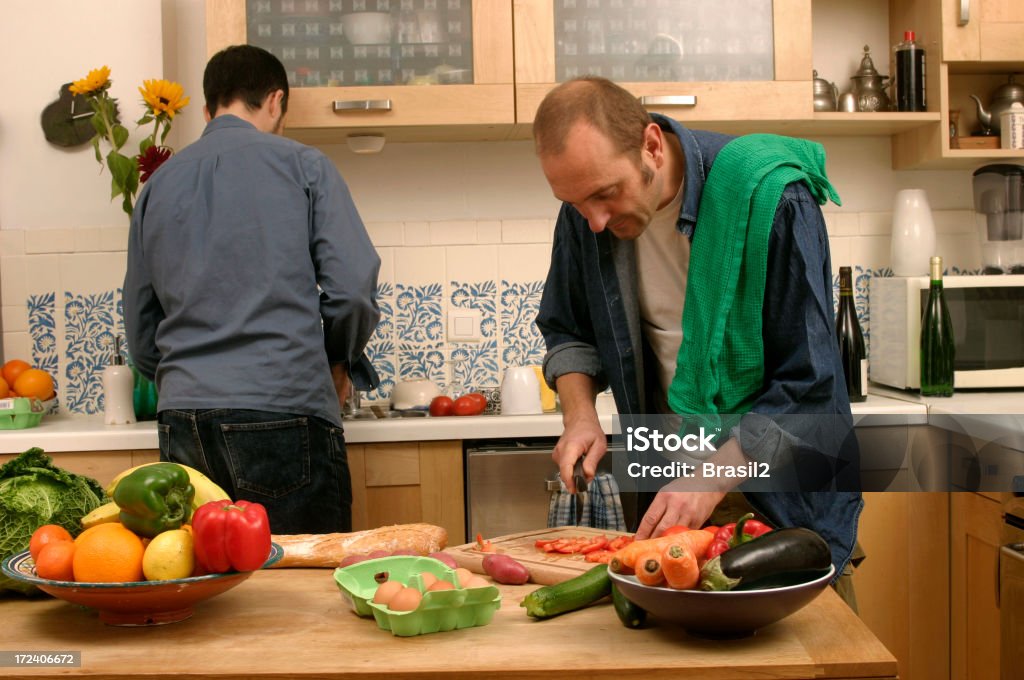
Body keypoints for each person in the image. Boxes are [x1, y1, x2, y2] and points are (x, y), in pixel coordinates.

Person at [533, 76, 863, 606]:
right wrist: (580, 415)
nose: (592, 220)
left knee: (816, 657)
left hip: (783, 506)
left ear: (651, 146)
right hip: (670, 495)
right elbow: (568, 327)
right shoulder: (586, 213)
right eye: (574, 203)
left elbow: (811, 386)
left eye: (604, 195)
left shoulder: (771, 198)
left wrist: (710, 480)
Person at [123, 45, 381, 535]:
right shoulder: (306, 166)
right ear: (276, 101)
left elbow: (141, 328)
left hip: (184, 419)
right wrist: (336, 359)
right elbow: (351, 291)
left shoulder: (157, 186)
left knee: (204, 592)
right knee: (301, 592)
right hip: (285, 412)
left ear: (207, 108)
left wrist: (188, 377)